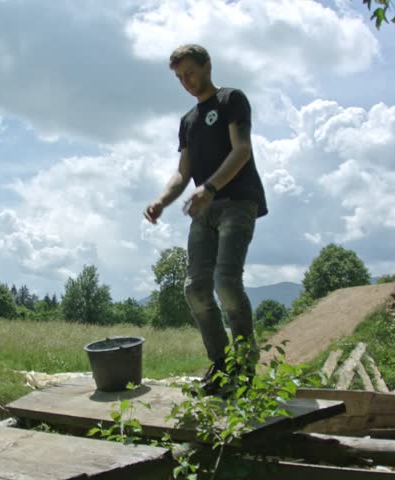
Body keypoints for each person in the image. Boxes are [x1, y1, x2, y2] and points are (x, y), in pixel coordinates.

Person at [144, 44, 268, 396]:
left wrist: (211, 187)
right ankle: (222, 365)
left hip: (238, 202)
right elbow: (183, 174)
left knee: (226, 283)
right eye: (180, 77)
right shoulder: (188, 122)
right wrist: (161, 200)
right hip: (204, 208)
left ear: (207, 66)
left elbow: (242, 150)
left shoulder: (232, 100)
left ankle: (244, 367)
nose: (186, 82)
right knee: (195, 288)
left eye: (191, 73)